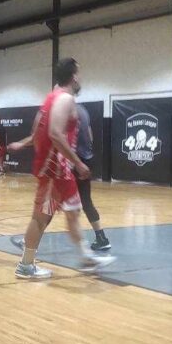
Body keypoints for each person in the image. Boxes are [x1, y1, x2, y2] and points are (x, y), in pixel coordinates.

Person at [10, 58, 115, 279]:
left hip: (61, 170)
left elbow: (37, 133)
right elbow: (55, 134)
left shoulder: (50, 98)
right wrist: (78, 162)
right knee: (41, 218)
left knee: (73, 212)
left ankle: (86, 257)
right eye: (79, 73)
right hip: (55, 170)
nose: (80, 77)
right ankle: (25, 266)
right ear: (74, 76)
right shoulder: (64, 98)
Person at [75, 102, 111, 251]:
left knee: (51, 201)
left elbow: (58, 136)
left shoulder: (66, 109)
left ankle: (31, 240)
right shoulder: (82, 110)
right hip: (85, 159)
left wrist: (76, 161)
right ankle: (101, 237)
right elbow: (89, 134)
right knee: (86, 201)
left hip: (74, 162)